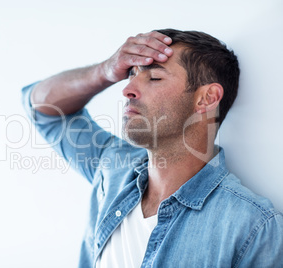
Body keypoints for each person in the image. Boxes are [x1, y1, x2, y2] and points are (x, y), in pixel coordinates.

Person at [21, 29, 283, 267]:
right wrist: (105, 71)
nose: (127, 90)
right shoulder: (113, 167)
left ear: (206, 98)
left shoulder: (253, 227)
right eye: (131, 75)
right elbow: (43, 109)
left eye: (154, 77)